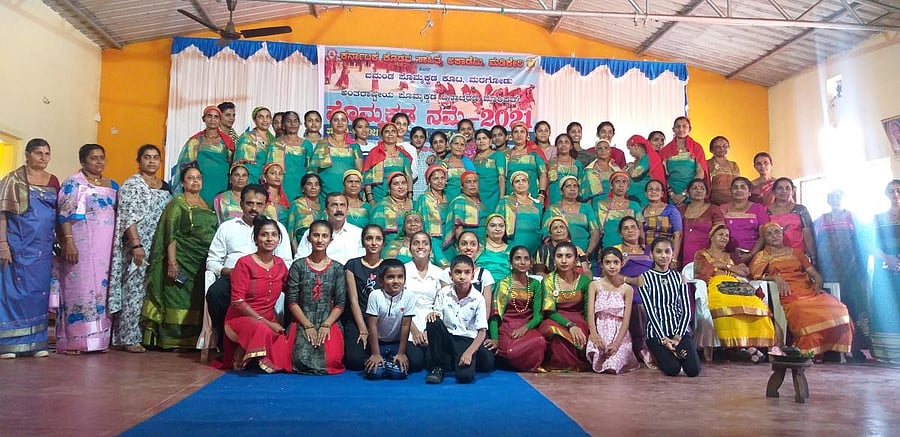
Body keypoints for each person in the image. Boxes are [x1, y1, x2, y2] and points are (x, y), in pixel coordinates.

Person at [204, 184, 292, 353]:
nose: (254, 208)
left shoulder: (277, 229)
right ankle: (227, 341)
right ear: (241, 203)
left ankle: (282, 340)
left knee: (295, 293)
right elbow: (213, 261)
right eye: (250, 203)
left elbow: (287, 261)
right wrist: (228, 271)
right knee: (215, 293)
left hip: (269, 279)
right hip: (234, 278)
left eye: (259, 204)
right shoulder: (228, 227)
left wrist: (269, 273)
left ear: (266, 205)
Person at [141, 166, 217, 350]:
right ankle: (170, 340)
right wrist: (172, 262)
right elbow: (170, 234)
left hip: (200, 262)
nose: (195, 181)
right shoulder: (178, 203)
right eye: (190, 178)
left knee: (195, 300)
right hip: (181, 259)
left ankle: (192, 341)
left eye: (198, 177)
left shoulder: (206, 204)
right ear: (182, 182)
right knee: (177, 298)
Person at [750, 222, 852, 358]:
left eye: (776, 232)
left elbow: (816, 276)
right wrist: (774, 278)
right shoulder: (761, 256)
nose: (774, 236)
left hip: (807, 289)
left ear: (782, 234)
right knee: (801, 309)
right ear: (764, 239)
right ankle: (807, 350)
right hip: (787, 293)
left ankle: (831, 350)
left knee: (838, 307)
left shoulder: (796, 252)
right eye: (769, 234)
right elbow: (756, 277)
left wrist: (817, 285)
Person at [54, 144, 118, 354]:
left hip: (105, 248)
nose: (99, 162)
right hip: (80, 245)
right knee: (80, 290)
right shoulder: (74, 183)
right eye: (94, 158)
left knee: (101, 291)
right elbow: (64, 213)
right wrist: (69, 240)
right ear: (83, 161)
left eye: (102, 158)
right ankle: (73, 341)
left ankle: (98, 340)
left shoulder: (112, 184)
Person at [108, 145, 172, 353]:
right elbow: (128, 216)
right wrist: (136, 244)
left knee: (148, 291)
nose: (152, 161)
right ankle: (127, 337)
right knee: (133, 290)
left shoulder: (165, 186)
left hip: (157, 245)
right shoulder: (132, 185)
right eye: (147, 157)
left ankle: (145, 335)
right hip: (137, 246)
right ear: (139, 160)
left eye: (156, 157)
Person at [0, 139, 59, 359]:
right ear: (27, 155)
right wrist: (3, 244)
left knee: (38, 293)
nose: (43, 158)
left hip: (42, 249)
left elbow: (57, 212)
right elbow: (2, 213)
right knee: (14, 291)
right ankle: (9, 344)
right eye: (38, 153)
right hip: (17, 245)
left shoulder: (53, 181)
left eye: (47, 153)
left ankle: (35, 342)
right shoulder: (13, 180)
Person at [694, 224, 775, 360]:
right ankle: (743, 347)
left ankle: (748, 346)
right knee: (728, 304)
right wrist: (730, 269)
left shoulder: (731, 255)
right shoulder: (702, 254)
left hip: (737, 285)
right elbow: (702, 271)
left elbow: (745, 271)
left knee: (756, 304)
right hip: (716, 285)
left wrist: (723, 265)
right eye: (720, 234)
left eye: (726, 235)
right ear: (711, 236)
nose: (724, 238)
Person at [224, 216, 293, 372]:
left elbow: (289, 289)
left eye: (274, 235)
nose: (269, 239)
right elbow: (238, 301)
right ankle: (243, 348)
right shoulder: (244, 263)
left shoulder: (280, 264)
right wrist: (267, 323)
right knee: (261, 329)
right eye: (264, 234)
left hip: (268, 320)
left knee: (284, 349)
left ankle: (252, 352)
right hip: (240, 319)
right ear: (255, 239)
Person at [625, 238, 700, 377]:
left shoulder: (679, 277)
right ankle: (661, 354)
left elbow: (686, 310)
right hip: (656, 333)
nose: (663, 255)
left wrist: (677, 337)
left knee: (693, 370)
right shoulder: (644, 278)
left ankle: (677, 352)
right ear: (651, 255)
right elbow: (650, 312)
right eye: (658, 252)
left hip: (678, 330)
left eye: (667, 252)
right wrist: (664, 339)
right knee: (672, 369)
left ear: (672, 254)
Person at [814, 190, 869, 361]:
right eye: (832, 197)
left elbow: (863, 243)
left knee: (855, 306)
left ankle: (857, 347)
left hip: (852, 269)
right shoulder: (819, 220)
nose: (835, 200)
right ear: (827, 200)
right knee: (833, 307)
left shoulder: (852, 218)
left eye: (838, 197)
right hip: (829, 270)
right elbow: (815, 246)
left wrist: (860, 268)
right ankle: (835, 348)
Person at [287, 220, 347, 375]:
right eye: (316, 235)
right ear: (309, 238)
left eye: (325, 236)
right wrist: (307, 326)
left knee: (331, 360)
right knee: (300, 358)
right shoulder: (298, 266)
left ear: (330, 240)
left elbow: (340, 303)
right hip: (303, 319)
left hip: (329, 320)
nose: (320, 240)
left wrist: (326, 325)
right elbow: (292, 301)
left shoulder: (338, 268)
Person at [424, 255, 495, 384]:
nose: (462, 276)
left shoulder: (478, 298)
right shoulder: (444, 293)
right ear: (451, 275)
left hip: (465, 339)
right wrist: (432, 314)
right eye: (458, 272)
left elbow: (482, 332)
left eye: (467, 272)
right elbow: (437, 315)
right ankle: (438, 367)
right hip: (447, 337)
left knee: (465, 377)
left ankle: (454, 361)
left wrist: (469, 353)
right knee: (432, 321)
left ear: (472, 276)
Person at [486, 246, 546, 372]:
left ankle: (523, 363)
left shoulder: (535, 284)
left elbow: (538, 315)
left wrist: (525, 328)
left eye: (526, 259)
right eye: (518, 258)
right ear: (510, 262)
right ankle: (516, 360)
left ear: (531, 263)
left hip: (528, 326)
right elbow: (495, 315)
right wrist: (495, 339)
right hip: (506, 327)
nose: (522, 262)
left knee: (540, 341)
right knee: (510, 351)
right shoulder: (502, 284)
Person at [363, 259, 422, 379]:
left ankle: (389, 361)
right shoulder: (375, 295)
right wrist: (375, 353)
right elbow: (372, 325)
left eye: (400, 277)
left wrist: (401, 353)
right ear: (381, 281)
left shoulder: (409, 296)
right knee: (375, 373)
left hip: (396, 342)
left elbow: (406, 325)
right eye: (390, 277)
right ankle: (381, 359)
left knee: (403, 371)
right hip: (378, 342)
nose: (396, 281)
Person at [585, 247, 640, 374]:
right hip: (600, 330)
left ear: (621, 264)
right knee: (598, 361)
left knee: (612, 366)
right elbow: (590, 312)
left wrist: (616, 343)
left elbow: (626, 320)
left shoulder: (627, 289)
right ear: (602, 264)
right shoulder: (594, 285)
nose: (612, 266)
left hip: (619, 334)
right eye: (607, 262)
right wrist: (594, 334)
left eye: (616, 262)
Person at [538, 242, 591, 371]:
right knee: (554, 332)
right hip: (555, 318)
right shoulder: (549, 280)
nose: (563, 260)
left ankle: (575, 362)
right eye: (559, 256)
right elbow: (549, 311)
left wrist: (591, 331)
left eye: (568, 256)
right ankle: (559, 365)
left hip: (579, 320)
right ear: (554, 259)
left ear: (575, 260)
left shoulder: (584, 281)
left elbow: (588, 310)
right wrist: (570, 325)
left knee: (580, 334)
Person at [342, 225, 386, 371]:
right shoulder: (352, 265)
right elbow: (353, 300)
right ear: (363, 242)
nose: (374, 243)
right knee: (355, 361)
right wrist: (363, 329)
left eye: (378, 239)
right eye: (369, 238)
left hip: (382, 320)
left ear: (383, 243)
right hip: (358, 318)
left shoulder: (387, 266)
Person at [613, 216, 655, 368]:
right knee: (639, 303)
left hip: (651, 288)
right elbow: (609, 274)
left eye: (633, 227)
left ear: (639, 230)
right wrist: (632, 280)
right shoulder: (616, 251)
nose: (630, 230)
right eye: (626, 228)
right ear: (620, 233)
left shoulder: (649, 250)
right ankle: (643, 348)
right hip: (627, 288)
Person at [175, 106, 233, 206]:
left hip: (221, 183)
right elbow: (185, 166)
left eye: (216, 117)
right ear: (203, 119)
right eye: (209, 116)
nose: (212, 120)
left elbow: (232, 164)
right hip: (200, 184)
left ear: (220, 120)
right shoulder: (195, 141)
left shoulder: (227, 142)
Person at [870, 180, 900, 362]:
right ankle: (887, 352)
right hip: (884, 268)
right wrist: (887, 258)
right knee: (885, 306)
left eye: (898, 190)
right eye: (891, 191)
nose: (895, 194)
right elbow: (870, 244)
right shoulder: (878, 218)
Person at [405, 231, 448, 359]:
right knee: (416, 361)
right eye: (416, 243)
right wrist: (415, 331)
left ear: (430, 249)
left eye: (425, 243)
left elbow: (442, 305)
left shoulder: (440, 273)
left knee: (431, 360)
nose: (420, 246)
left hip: (432, 321)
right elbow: (400, 304)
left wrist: (428, 331)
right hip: (408, 320)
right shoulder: (403, 270)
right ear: (410, 248)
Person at [294, 192, 364, 265]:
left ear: (347, 210)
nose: (339, 209)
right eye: (334, 205)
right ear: (326, 210)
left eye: (342, 205)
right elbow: (299, 260)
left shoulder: (358, 233)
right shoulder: (313, 233)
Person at [309, 110, 363, 198]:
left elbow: (359, 171)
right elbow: (313, 170)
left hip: (348, 192)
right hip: (325, 193)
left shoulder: (354, 146)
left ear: (347, 123)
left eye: (343, 120)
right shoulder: (323, 143)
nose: (340, 123)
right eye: (336, 120)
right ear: (331, 123)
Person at [767, 177, 817, 265]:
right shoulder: (765, 211)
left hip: (798, 256)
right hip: (773, 257)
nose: (784, 191)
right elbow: (762, 236)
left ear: (792, 191)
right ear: (773, 191)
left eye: (787, 188)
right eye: (780, 188)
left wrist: (812, 256)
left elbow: (807, 234)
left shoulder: (801, 210)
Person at [659, 116, 708, 206]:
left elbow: (700, 174)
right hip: (671, 194)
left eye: (684, 126)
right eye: (678, 126)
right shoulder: (665, 150)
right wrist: (672, 194)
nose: (681, 129)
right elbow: (662, 175)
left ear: (690, 129)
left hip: (692, 193)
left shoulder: (696, 148)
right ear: (673, 129)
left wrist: (684, 194)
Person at [722, 177, 769, 264]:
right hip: (727, 256)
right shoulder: (722, 209)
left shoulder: (758, 208)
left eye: (743, 187)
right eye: (735, 187)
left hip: (754, 256)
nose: (738, 190)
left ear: (749, 192)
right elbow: (717, 233)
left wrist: (751, 254)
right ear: (731, 192)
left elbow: (764, 235)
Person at [362, 123, 413, 204]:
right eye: (387, 131)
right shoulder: (375, 153)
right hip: (378, 197)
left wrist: (410, 197)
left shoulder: (403, 155)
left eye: (393, 131)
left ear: (397, 134)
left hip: (399, 198)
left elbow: (408, 177)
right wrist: (371, 199)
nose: (390, 134)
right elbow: (367, 180)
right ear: (382, 135)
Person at [267, 111, 311, 203]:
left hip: (300, 185)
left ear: (299, 124)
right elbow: (269, 167)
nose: (292, 124)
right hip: (280, 184)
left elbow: (310, 169)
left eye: (295, 121)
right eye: (289, 121)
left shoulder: (307, 145)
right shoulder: (275, 144)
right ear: (283, 125)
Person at [497, 171, 544, 256]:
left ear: (528, 184)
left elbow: (541, 226)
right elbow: (497, 222)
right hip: (513, 244)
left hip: (534, 245)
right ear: (512, 186)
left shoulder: (537, 204)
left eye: (523, 180)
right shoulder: (505, 201)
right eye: (517, 181)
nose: (521, 183)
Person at [679, 178, 725, 266]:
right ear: (688, 193)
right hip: (682, 254)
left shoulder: (714, 209)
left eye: (702, 188)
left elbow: (721, 232)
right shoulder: (680, 210)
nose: (698, 190)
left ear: (706, 193)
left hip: (706, 255)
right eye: (694, 188)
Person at [369, 172, 413, 257]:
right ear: (389, 188)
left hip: (414, 246)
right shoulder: (382, 206)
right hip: (389, 250)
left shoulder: (414, 204)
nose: (401, 187)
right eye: (396, 184)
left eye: (403, 183)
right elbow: (375, 234)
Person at [642, 179, 683, 268]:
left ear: (662, 194)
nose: (654, 192)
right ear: (645, 193)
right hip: (648, 254)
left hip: (665, 253)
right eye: (650, 189)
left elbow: (678, 235)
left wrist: (674, 258)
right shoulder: (642, 210)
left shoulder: (671, 210)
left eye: (657, 189)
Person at [444, 171, 490, 251]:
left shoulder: (481, 203)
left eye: (475, 181)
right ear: (462, 186)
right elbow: (458, 228)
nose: (472, 184)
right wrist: (464, 247)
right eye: (468, 182)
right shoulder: (460, 201)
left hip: (483, 244)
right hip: (469, 246)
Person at [596, 171, 643, 248]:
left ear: (628, 187)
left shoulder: (634, 205)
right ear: (611, 185)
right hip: (609, 248)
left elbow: (640, 229)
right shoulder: (601, 205)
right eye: (617, 181)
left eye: (624, 182)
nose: (621, 185)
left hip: (630, 248)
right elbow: (597, 231)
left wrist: (642, 245)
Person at [415, 165, 450, 267]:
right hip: (433, 240)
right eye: (435, 178)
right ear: (429, 181)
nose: (439, 181)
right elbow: (422, 225)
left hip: (448, 239)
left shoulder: (448, 197)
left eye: (442, 178)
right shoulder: (424, 198)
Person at [506, 122, 548, 201]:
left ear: (527, 135)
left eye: (522, 132)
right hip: (511, 198)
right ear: (511, 136)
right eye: (516, 132)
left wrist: (541, 194)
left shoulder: (535, 152)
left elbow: (543, 174)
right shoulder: (507, 155)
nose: (519, 135)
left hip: (532, 196)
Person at [233, 106, 274, 184]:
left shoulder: (274, 141)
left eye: (267, 117)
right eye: (261, 117)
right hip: (250, 177)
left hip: (268, 179)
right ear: (255, 120)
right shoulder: (247, 137)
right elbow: (239, 162)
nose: (265, 120)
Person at [624, 134, 665, 208]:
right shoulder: (639, 161)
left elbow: (635, 174)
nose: (630, 152)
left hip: (642, 199)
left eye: (630, 149)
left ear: (636, 146)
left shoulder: (647, 158)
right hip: (634, 198)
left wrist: (629, 167)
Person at [580, 139, 622, 211]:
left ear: (610, 152)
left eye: (606, 148)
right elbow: (585, 197)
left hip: (616, 210)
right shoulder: (589, 171)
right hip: (597, 209)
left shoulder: (616, 170)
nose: (603, 150)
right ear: (595, 153)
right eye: (600, 148)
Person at [287, 173, 326, 249]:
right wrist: (297, 255)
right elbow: (291, 233)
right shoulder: (297, 205)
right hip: (301, 248)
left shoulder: (324, 206)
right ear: (302, 188)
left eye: (316, 184)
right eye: (309, 184)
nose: (313, 187)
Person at [472, 129, 506, 212]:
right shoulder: (472, 159)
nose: (481, 141)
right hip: (477, 197)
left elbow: (501, 178)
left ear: (490, 141)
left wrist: (501, 199)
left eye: (484, 138)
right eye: (478, 139)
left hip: (493, 196)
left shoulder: (498, 156)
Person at [438, 133, 477, 201]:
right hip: (448, 201)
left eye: (462, 145)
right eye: (456, 143)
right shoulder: (443, 164)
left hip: (465, 202)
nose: (459, 147)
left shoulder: (468, 165)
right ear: (450, 145)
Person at [547, 134, 583, 205]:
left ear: (571, 146)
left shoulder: (577, 164)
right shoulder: (550, 163)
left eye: (566, 142)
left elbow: (580, 185)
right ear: (556, 146)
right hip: (554, 199)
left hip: (572, 200)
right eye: (560, 142)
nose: (563, 145)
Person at [706, 136, 741, 206]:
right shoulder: (707, 164)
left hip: (734, 203)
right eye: (717, 146)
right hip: (714, 203)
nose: (722, 148)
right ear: (711, 150)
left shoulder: (734, 165)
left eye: (725, 146)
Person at [477, 214, 512, 282]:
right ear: (486, 229)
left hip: (505, 289)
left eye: (501, 226)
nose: (497, 229)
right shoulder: (478, 248)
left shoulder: (511, 250)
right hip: (481, 288)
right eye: (493, 225)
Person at [259, 162, 290, 226]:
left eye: (280, 174)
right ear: (264, 177)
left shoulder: (285, 200)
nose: (277, 176)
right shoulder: (260, 198)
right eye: (273, 173)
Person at [410, 126, 433, 199]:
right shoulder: (405, 155)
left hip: (424, 198)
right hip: (408, 197)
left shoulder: (428, 156)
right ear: (411, 138)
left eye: (421, 137)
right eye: (416, 137)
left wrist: (433, 156)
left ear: (425, 140)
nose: (418, 140)